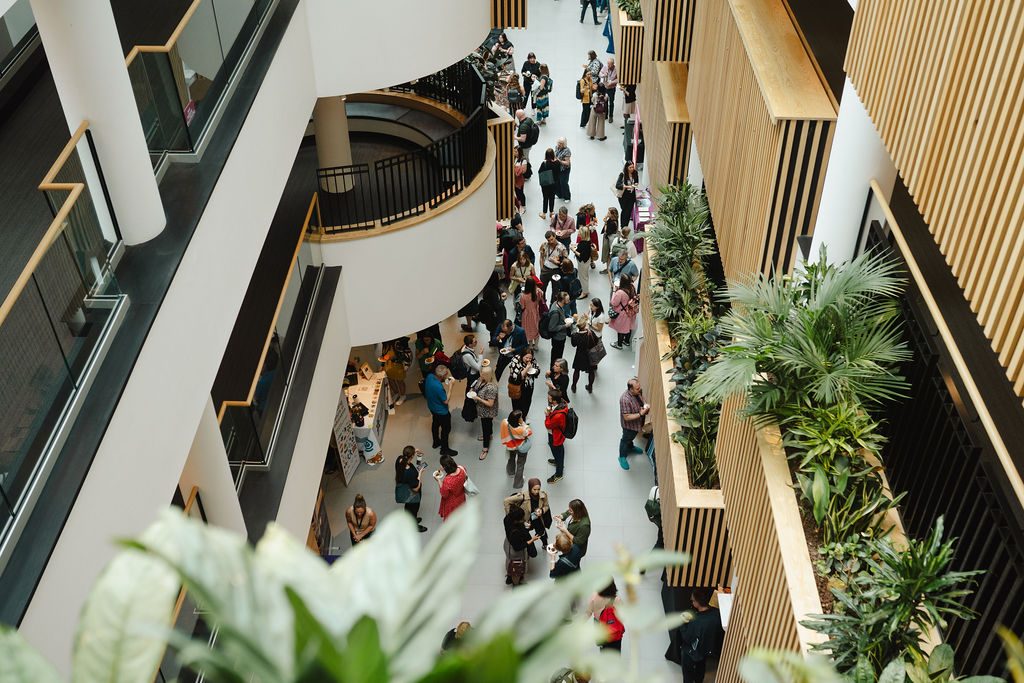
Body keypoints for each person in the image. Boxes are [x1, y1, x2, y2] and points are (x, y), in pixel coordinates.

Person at [679, 588, 724, 683]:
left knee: (687, 671)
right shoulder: (717, 613)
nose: (692, 602)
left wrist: (683, 624)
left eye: (692, 600)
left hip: (694, 651)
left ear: (697, 603)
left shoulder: (696, 622)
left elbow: (687, 638)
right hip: (707, 648)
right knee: (700, 667)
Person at [505, 478, 552, 549]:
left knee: (542, 533)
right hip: (526, 520)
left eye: (538, 489)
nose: (537, 492)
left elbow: (546, 506)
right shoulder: (522, 496)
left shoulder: (543, 495)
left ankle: (545, 544)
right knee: (525, 534)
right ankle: (527, 547)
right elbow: (506, 501)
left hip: (537, 519)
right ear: (530, 488)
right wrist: (511, 516)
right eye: (534, 489)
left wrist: (542, 510)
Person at [425, 363, 458, 456]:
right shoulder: (438, 387)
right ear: (442, 376)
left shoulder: (429, 376)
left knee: (435, 424)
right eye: (446, 374)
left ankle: (436, 442)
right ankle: (444, 449)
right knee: (446, 429)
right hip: (442, 411)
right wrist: (451, 387)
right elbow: (446, 401)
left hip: (432, 407)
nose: (447, 375)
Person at [618, 377, 649, 469]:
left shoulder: (638, 391)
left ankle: (630, 447)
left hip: (638, 423)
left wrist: (645, 405)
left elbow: (641, 398)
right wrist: (640, 413)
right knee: (626, 439)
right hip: (629, 426)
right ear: (630, 389)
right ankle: (622, 456)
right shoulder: (625, 399)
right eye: (637, 389)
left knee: (631, 437)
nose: (639, 390)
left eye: (639, 387)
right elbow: (626, 417)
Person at [395, 446, 428, 532]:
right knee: (413, 508)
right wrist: (420, 474)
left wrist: (415, 450)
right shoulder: (409, 472)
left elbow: (408, 453)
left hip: (405, 488)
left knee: (408, 506)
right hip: (412, 493)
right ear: (412, 456)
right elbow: (416, 488)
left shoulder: (399, 459)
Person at [503, 507, 539, 586]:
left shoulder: (507, 519)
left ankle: (509, 576)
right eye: (522, 518)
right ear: (516, 521)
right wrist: (532, 540)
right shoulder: (516, 533)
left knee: (509, 561)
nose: (523, 519)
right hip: (516, 552)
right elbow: (518, 547)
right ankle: (516, 583)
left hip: (508, 545)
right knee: (517, 568)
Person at [470, 364, 499, 460]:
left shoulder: (491, 388)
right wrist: (472, 389)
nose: (480, 373)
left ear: (487, 376)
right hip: (482, 409)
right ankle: (489, 435)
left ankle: (485, 448)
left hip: (487, 411)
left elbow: (490, 404)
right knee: (488, 424)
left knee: (485, 427)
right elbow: (476, 386)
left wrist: (478, 398)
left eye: (483, 373)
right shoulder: (481, 379)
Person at [587, 582, 625, 651]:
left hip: (600, 630)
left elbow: (588, 613)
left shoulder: (594, 597)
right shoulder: (616, 599)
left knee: (603, 651)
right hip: (614, 631)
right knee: (615, 653)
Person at [500, 409, 533, 489]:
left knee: (511, 458)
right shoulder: (521, 429)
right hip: (520, 447)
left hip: (510, 446)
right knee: (520, 465)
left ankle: (510, 472)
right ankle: (518, 484)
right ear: (518, 419)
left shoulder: (504, 422)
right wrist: (523, 423)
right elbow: (529, 432)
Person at [544, 389, 569, 483]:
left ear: (554, 400)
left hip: (555, 436)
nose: (547, 398)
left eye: (549, 397)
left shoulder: (558, 416)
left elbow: (548, 425)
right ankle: (557, 460)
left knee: (558, 452)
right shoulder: (562, 402)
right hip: (557, 433)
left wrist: (547, 415)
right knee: (557, 451)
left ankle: (559, 474)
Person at [433, 453, 467, 520]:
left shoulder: (447, 480)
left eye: (441, 465)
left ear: (444, 467)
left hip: (452, 502)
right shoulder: (462, 468)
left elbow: (444, 495)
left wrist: (439, 481)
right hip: (461, 496)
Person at [507, 349, 540, 416]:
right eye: (526, 358)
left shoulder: (532, 359)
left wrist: (536, 371)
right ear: (522, 355)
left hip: (528, 387)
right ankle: (516, 419)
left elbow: (537, 368)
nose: (528, 360)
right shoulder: (515, 360)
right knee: (517, 406)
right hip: (518, 387)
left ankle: (523, 417)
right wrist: (527, 368)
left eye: (530, 358)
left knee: (526, 404)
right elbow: (516, 377)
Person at [570, 315, 598, 393]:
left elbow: (573, 345)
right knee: (591, 371)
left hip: (579, 355)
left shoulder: (575, 335)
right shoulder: (591, 333)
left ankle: (574, 386)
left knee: (576, 371)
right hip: (590, 355)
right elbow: (596, 342)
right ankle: (590, 386)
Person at [609, 279, 639, 350]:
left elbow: (613, 303)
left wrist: (614, 291)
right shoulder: (632, 287)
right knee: (629, 326)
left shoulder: (620, 292)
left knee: (620, 329)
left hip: (623, 313)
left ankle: (619, 345)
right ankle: (626, 341)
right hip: (631, 311)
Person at [380, 339, 410, 407]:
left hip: (397, 365)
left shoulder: (397, 343)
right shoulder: (384, 344)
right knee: (391, 380)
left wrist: (406, 365)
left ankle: (403, 396)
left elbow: (406, 354)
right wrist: (382, 365)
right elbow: (383, 355)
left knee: (400, 381)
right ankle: (396, 393)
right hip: (388, 364)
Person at [547, 292, 573, 365]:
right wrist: (565, 326)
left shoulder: (556, 303)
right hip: (558, 338)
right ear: (562, 300)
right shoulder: (555, 313)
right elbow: (551, 328)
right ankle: (554, 371)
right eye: (567, 300)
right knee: (556, 356)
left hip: (560, 336)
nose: (569, 301)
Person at [519, 277, 543, 347]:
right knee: (536, 328)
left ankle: (530, 345)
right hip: (535, 312)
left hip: (526, 314)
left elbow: (522, 307)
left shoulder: (523, 296)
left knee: (528, 329)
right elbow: (541, 295)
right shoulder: (537, 292)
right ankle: (536, 345)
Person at [538, 149, 560, 218]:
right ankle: (551, 212)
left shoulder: (544, 163)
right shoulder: (557, 163)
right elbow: (559, 172)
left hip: (545, 184)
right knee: (552, 197)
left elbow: (539, 172)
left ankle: (544, 213)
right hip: (554, 183)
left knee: (545, 198)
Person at [574, 226, 595, 298]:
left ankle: (585, 292)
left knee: (583, 277)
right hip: (586, 261)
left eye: (579, 232)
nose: (578, 232)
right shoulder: (587, 242)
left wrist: (573, 250)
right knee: (584, 276)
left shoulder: (584, 244)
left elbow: (580, 255)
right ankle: (584, 289)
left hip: (583, 262)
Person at [616, 161, 639, 227]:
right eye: (630, 167)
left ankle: (626, 226)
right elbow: (617, 185)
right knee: (624, 211)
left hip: (631, 195)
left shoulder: (635, 173)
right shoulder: (622, 174)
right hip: (623, 196)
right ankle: (622, 226)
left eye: (633, 167)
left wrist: (635, 185)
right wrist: (627, 186)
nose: (632, 168)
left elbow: (637, 182)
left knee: (629, 212)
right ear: (626, 167)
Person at [600, 58, 619, 122]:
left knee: (611, 102)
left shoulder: (616, 69)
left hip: (612, 88)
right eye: (607, 63)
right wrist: (603, 75)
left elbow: (618, 79)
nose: (608, 65)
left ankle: (611, 116)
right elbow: (600, 73)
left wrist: (612, 82)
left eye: (609, 64)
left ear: (613, 64)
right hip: (605, 87)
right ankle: (605, 114)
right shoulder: (605, 67)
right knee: (605, 101)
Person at [555, 137, 572, 203]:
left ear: (564, 144)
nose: (559, 144)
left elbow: (567, 163)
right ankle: (559, 194)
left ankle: (567, 197)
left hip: (564, 169)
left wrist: (559, 160)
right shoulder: (556, 147)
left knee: (564, 183)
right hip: (557, 168)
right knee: (557, 182)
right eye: (559, 143)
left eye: (561, 143)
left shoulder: (567, 151)